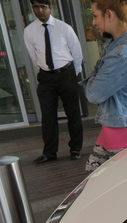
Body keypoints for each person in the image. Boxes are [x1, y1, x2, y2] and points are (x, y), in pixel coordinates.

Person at [82, 0, 127, 172]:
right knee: (96, 178)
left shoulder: (122, 53)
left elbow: (93, 94)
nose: (94, 22)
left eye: (96, 16)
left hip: (123, 129)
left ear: (109, 15)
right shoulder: (123, 45)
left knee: (116, 186)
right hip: (120, 126)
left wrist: (92, 78)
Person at [23, 0, 83, 164]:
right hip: (46, 77)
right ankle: (50, 152)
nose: (40, 10)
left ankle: (76, 148)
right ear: (33, 9)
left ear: (50, 8)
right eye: (36, 7)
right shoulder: (29, 31)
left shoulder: (64, 28)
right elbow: (34, 56)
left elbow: (77, 52)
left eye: (43, 7)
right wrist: (46, 69)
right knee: (48, 116)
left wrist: (73, 73)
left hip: (66, 74)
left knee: (73, 112)